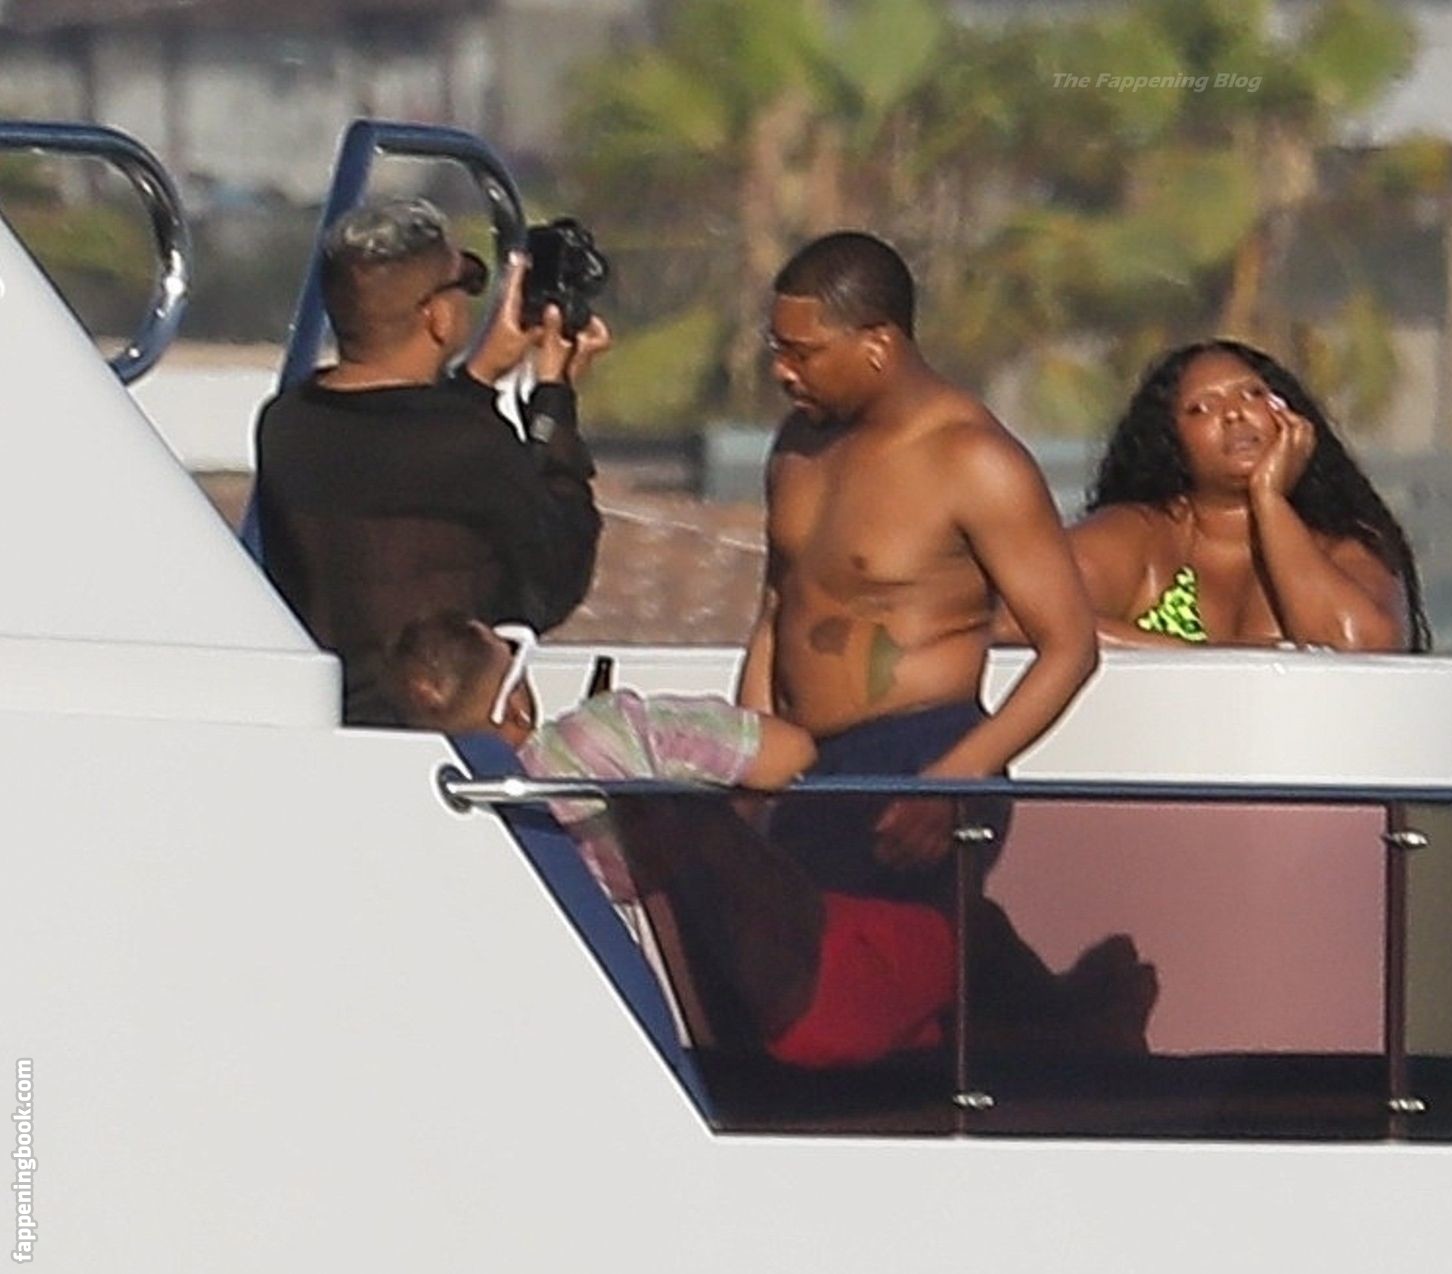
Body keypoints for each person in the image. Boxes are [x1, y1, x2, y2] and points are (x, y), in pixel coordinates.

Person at [385, 612, 959, 1070]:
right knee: (971, 935)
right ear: (514, 703)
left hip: (653, 1019)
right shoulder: (606, 736)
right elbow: (790, 755)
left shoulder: (439, 814)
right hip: (793, 1000)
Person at [742, 230, 1098, 900]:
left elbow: (1070, 647)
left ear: (877, 345)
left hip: (919, 756)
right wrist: (748, 756)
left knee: (877, 955)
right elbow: (777, 610)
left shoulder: (973, 459)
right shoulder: (796, 445)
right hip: (801, 763)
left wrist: (956, 776)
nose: (783, 372)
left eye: (803, 353)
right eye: (777, 349)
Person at [254, 196, 609, 726]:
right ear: (436, 316)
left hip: (333, 721)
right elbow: (558, 575)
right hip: (444, 730)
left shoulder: (285, 425)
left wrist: (480, 376)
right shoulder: (467, 445)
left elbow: (393, 447)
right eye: (464, 286)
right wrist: (555, 394)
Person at [1035, 339, 1429, 652]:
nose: (1233, 414)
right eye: (1201, 408)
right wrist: (1196, 660)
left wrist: (1270, 500)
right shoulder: (1140, 534)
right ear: (1169, 441)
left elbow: (1358, 646)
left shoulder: (1343, 547)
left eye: (1253, 394)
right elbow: (1021, 616)